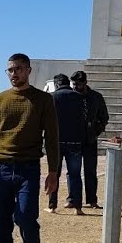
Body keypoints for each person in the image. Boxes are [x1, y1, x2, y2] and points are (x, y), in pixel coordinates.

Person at [0, 53, 60, 243]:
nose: (14, 73)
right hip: (1, 168)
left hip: (28, 169)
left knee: (26, 219)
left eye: (18, 69)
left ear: (28, 70)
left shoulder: (43, 100)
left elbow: (52, 138)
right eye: (10, 70)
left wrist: (53, 172)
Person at [71, 70, 110, 209]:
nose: (76, 87)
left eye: (79, 84)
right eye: (74, 84)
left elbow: (104, 117)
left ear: (85, 83)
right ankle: (72, 199)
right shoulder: (71, 96)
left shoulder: (96, 97)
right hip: (74, 139)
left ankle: (92, 199)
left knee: (90, 171)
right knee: (73, 171)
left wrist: (96, 130)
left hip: (90, 139)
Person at [48, 74, 86, 215]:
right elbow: (84, 118)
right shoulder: (79, 98)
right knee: (75, 174)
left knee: (54, 173)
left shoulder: (52, 97)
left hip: (56, 141)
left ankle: (52, 205)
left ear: (56, 84)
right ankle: (77, 207)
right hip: (75, 140)